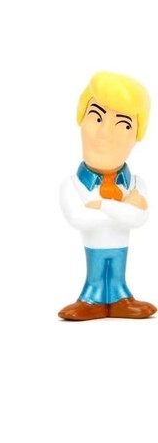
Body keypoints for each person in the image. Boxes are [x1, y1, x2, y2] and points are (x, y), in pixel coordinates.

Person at [59, 71, 156, 320]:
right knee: (96, 272)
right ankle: (91, 298)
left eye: (123, 124)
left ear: (136, 137)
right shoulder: (72, 185)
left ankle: (120, 297)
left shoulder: (137, 183)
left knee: (116, 272)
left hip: (121, 247)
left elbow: (138, 219)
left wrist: (101, 205)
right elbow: (78, 218)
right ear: (81, 120)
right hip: (93, 247)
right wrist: (124, 208)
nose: (105, 133)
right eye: (97, 117)